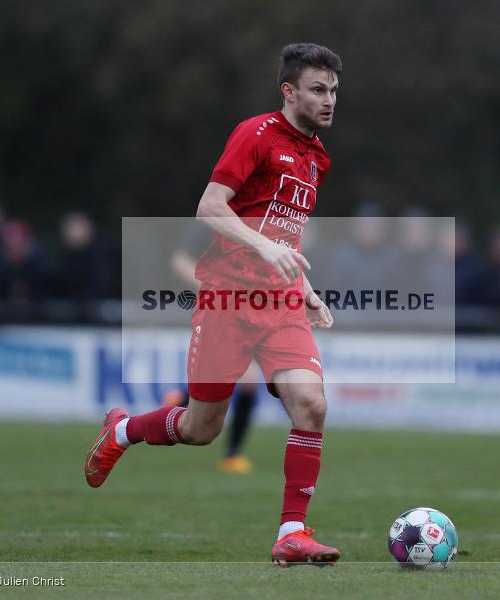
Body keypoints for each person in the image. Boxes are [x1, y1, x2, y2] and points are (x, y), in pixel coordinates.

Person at [84, 43, 342, 566]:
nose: (330, 99)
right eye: (318, 89)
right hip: (226, 297)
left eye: (334, 90)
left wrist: (303, 286)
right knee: (203, 429)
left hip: (280, 303)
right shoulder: (257, 134)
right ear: (289, 91)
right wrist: (264, 246)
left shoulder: (318, 157)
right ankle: (123, 430)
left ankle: (292, 532)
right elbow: (209, 207)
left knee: (311, 404)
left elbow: (284, 230)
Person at [168, 220, 261, 475]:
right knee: (242, 377)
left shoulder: (259, 218)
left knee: (244, 378)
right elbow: (180, 261)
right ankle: (231, 453)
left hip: (244, 309)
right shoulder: (214, 218)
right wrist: (213, 289)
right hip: (217, 308)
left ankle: (180, 402)